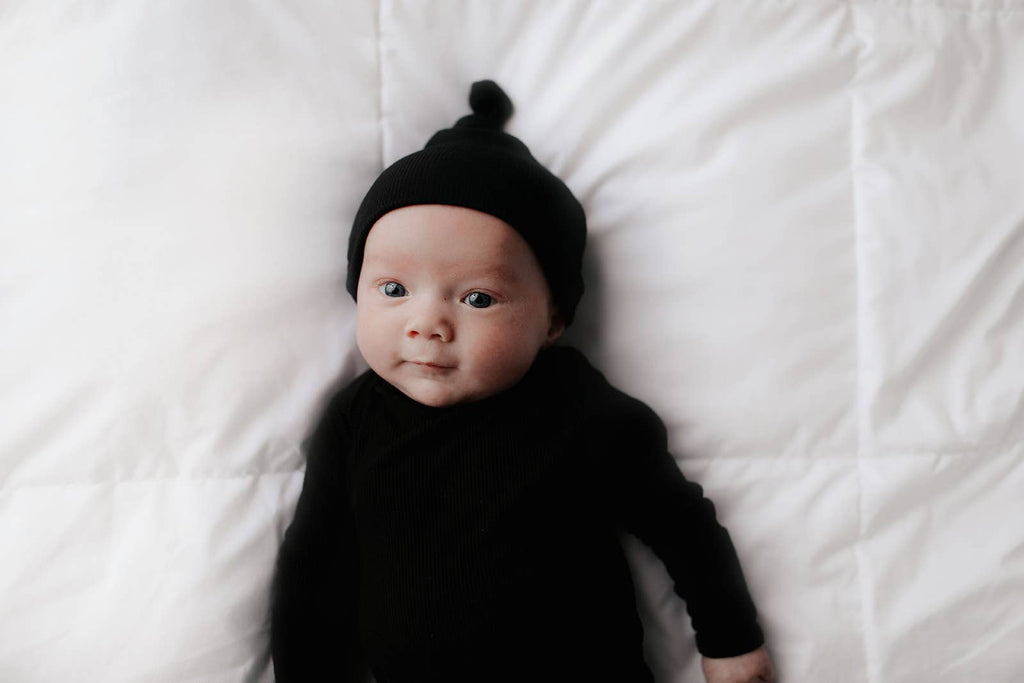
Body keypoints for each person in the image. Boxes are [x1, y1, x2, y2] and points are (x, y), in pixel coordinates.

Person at [270, 80, 775, 683]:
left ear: (553, 319)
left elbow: (681, 524)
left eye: (478, 297)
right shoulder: (356, 420)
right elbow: (313, 568)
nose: (427, 324)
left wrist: (730, 641)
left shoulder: (578, 408)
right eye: (394, 290)